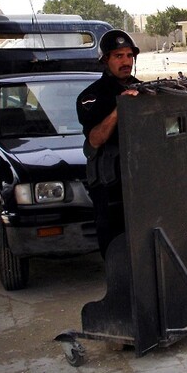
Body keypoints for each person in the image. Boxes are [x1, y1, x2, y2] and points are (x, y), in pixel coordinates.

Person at [76, 29, 141, 258]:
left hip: (141, 185)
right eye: (118, 56)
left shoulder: (142, 90)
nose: (126, 62)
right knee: (115, 251)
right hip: (110, 190)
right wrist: (119, 109)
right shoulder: (91, 97)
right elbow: (95, 139)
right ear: (106, 60)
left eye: (129, 56)